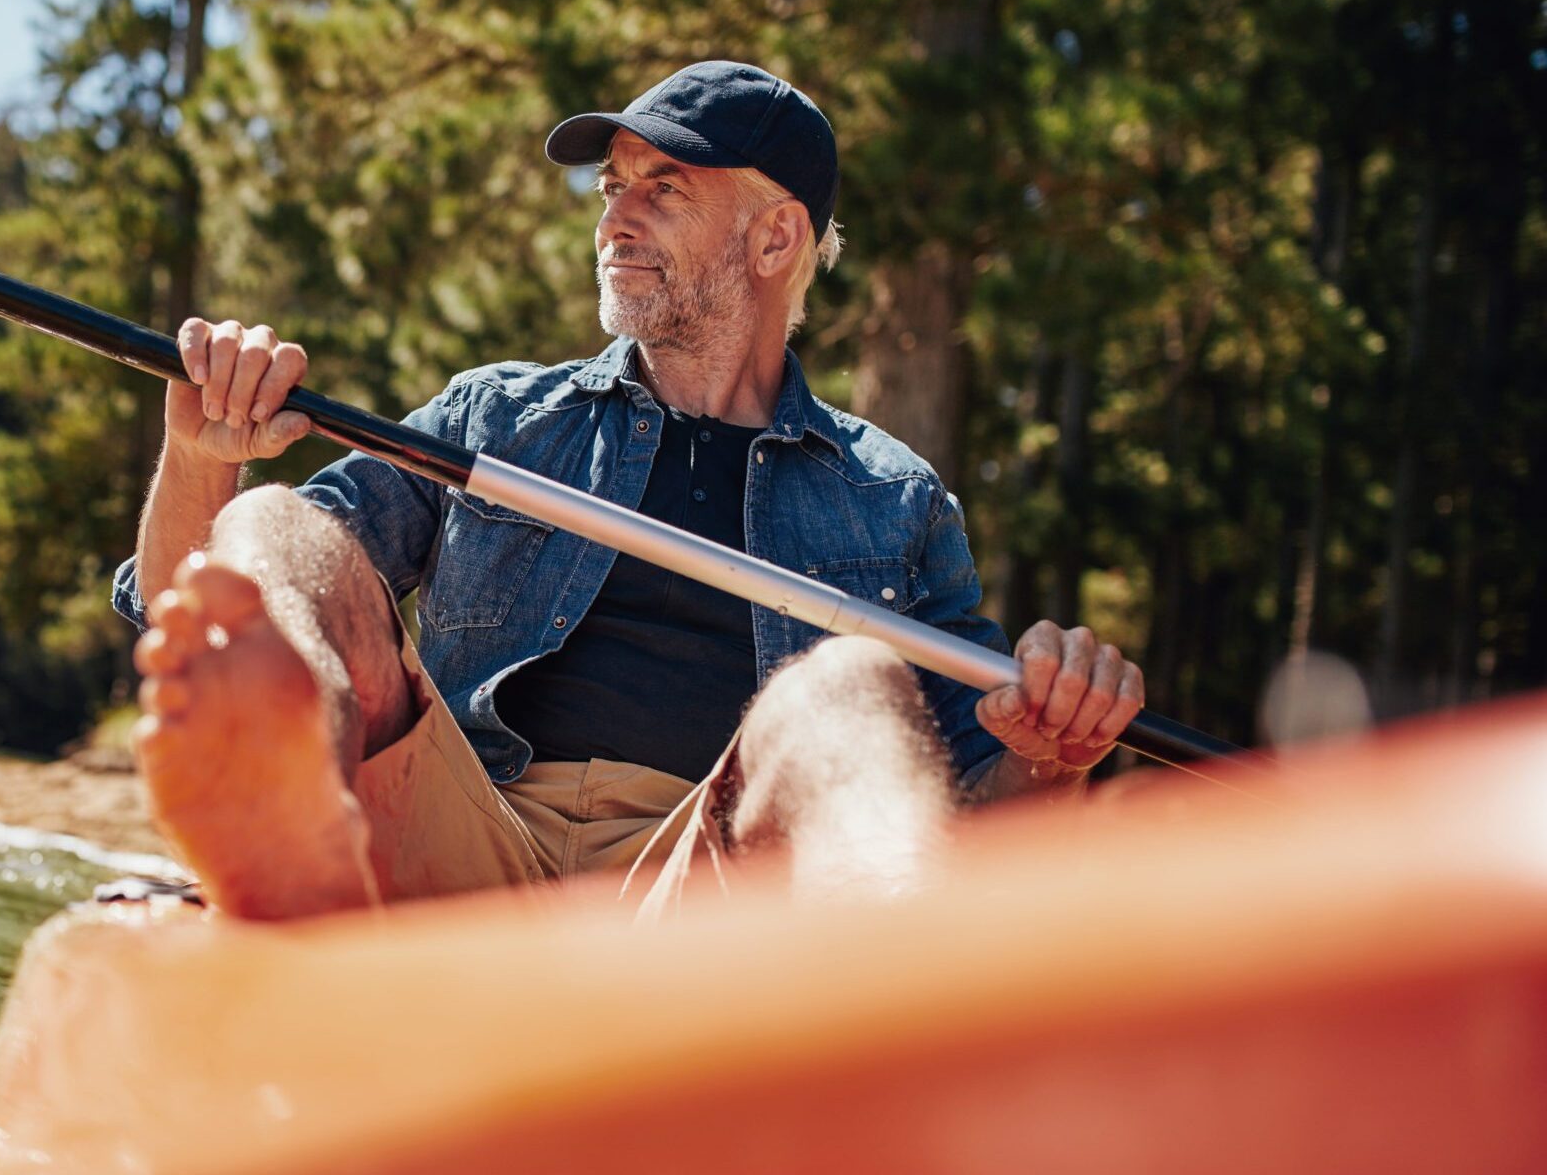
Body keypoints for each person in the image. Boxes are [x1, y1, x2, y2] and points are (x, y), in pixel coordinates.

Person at [114, 61, 1146, 920]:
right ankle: (280, 835)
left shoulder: (895, 498)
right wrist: (206, 456)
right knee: (272, 523)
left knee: (846, 692)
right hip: (451, 843)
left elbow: (974, 815)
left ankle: (856, 1034)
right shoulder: (497, 417)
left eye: (662, 189)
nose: (614, 218)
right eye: (612, 187)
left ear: (775, 238)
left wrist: (1053, 755)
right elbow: (184, 602)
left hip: (696, 905)